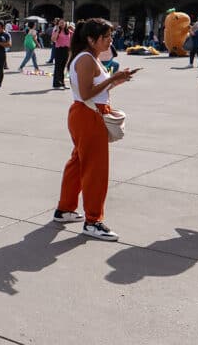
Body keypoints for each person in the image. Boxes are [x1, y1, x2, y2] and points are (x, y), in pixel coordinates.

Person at [54, 18, 138, 241]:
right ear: (92, 39)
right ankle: (93, 221)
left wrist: (117, 80)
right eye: (106, 37)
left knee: (78, 163)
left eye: (110, 36)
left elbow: (94, 90)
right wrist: (113, 78)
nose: (110, 40)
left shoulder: (90, 57)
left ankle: (65, 209)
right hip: (88, 115)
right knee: (95, 169)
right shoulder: (86, 59)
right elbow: (86, 93)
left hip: (87, 114)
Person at [51, 19, 72, 89]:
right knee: (58, 67)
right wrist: (57, 31)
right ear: (58, 24)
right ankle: (56, 84)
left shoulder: (68, 31)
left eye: (63, 22)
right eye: (60, 23)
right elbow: (53, 39)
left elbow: (74, 35)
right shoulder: (56, 31)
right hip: (59, 50)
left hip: (66, 50)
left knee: (63, 67)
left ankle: (62, 83)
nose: (62, 24)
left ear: (65, 23)